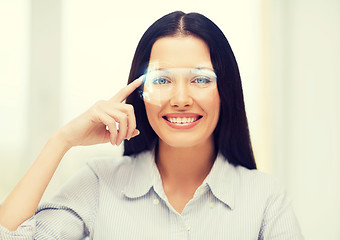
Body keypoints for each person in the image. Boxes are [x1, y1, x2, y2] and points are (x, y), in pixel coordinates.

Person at [0, 11, 303, 239]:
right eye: (162, 80)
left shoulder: (266, 199)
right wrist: (61, 140)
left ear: (226, 91)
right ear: (141, 95)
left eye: (200, 79)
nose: (181, 98)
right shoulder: (99, 183)